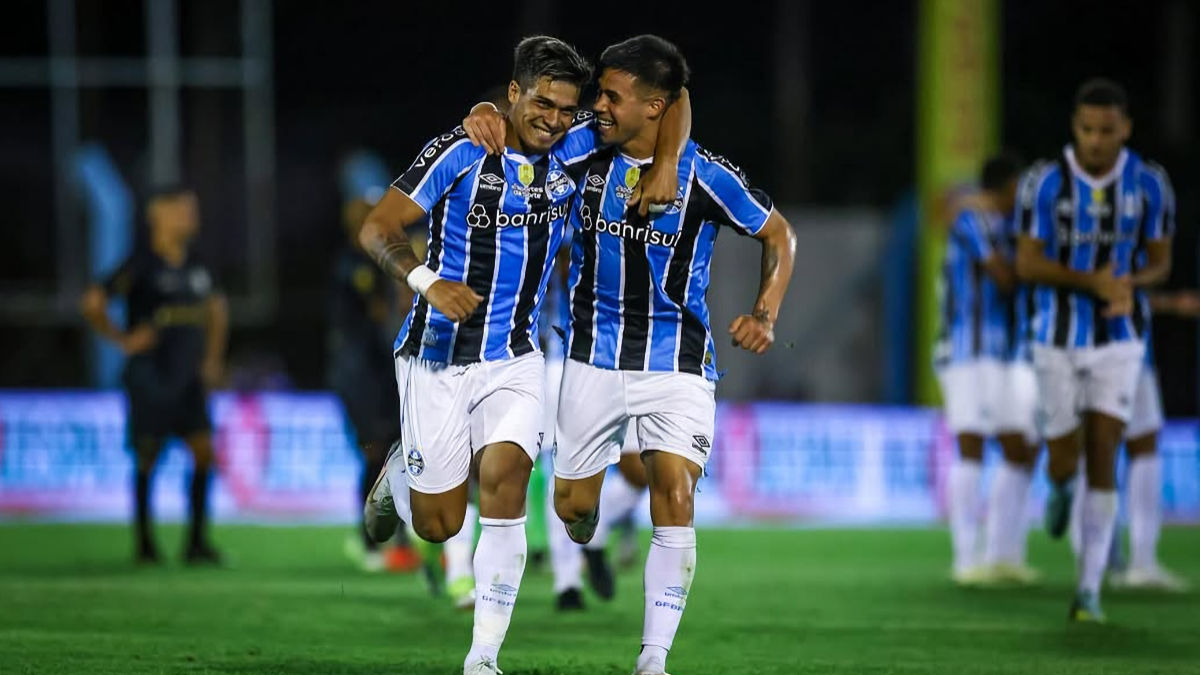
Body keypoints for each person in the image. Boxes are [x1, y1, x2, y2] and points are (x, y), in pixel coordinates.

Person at [358, 36, 689, 675]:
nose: (554, 119)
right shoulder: (462, 149)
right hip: (436, 355)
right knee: (438, 525)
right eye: (542, 102)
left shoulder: (575, 144)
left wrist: (668, 162)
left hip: (516, 356)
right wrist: (428, 282)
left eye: (568, 108)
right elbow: (377, 227)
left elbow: (669, 97)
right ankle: (403, 473)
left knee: (507, 483)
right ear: (513, 94)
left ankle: (482, 658)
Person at [542, 36, 796, 675]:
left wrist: (765, 311)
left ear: (654, 106)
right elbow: (530, 129)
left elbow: (778, 234)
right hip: (592, 358)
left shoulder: (704, 176)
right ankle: (590, 531)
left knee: (675, 493)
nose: (596, 104)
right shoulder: (583, 150)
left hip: (678, 361)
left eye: (611, 95)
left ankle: (653, 659)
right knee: (572, 508)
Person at [1016, 78, 1173, 621]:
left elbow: (1160, 259)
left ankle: (1088, 591)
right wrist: (1093, 282)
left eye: (1108, 130)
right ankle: (1057, 486)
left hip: (1120, 340)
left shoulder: (1150, 185)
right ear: (1075, 128)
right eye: (1088, 129)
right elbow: (1027, 263)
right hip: (1055, 339)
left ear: (1125, 128)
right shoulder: (1044, 183)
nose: (1097, 140)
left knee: (1104, 449)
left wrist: (1132, 283)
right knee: (1066, 456)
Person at [80, 184, 227, 565]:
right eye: (182, 209)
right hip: (152, 374)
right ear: (157, 215)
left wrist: (212, 359)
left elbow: (216, 310)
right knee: (148, 454)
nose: (190, 217)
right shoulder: (140, 264)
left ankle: (196, 542)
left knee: (203, 452)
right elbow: (93, 302)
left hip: (189, 375)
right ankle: (145, 544)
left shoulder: (199, 262)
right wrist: (123, 339)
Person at [934, 155, 1040, 585]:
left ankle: (1003, 553)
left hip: (1002, 354)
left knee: (1020, 447)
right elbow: (1004, 276)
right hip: (964, 350)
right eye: (1020, 187)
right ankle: (965, 558)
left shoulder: (1010, 227)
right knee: (972, 444)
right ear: (1006, 187)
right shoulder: (972, 220)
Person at [328, 192, 417, 573]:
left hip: (377, 367)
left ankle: (392, 539)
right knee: (375, 448)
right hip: (357, 369)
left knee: (389, 448)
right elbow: (381, 315)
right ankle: (368, 538)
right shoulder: (354, 265)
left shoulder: (374, 261)